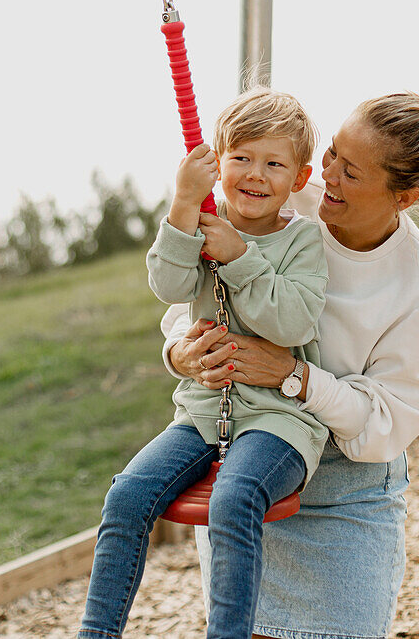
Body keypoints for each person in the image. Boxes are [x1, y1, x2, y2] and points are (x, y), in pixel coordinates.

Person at [162, 87, 419, 639]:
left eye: (351, 172)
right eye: (332, 153)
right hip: (246, 470)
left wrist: (295, 376)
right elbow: (197, 293)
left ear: (406, 196)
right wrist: (181, 351)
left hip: (343, 494)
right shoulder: (283, 200)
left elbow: (382, 427)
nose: (327, 175)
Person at [79, 87, 330, 639]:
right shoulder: (199, 224)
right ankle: (96, 634)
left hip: (278, 420)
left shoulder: (304, 242)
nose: (255, 174)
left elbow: (292, 324)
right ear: (217, 164)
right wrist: (183, 208)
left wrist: (239, 257)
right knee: (126, 495)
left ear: (300, 176)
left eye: (273, 163)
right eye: (240, 157)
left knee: (235, 498)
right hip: (201, 415)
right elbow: (168, 285)